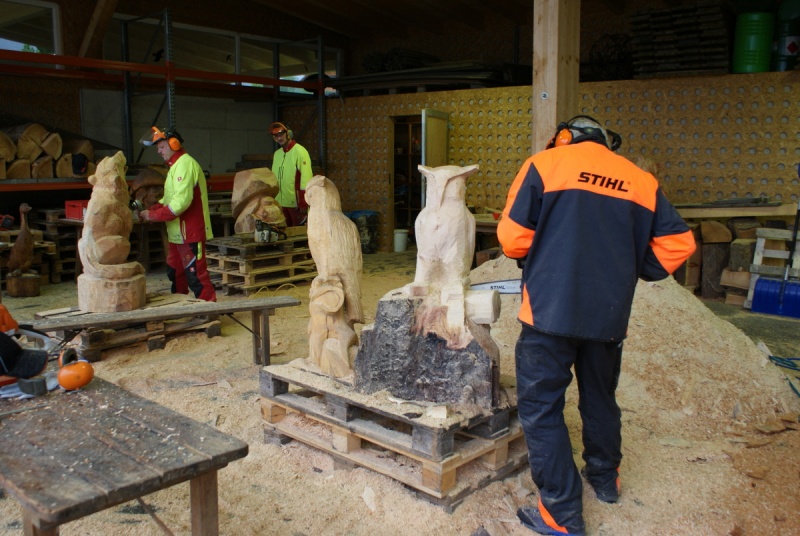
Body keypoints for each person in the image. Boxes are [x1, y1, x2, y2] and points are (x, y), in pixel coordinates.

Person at [497, 115, 696, 536]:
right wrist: (635, 267)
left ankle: (562, 514)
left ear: (564, 138)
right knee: (600, 397)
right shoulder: (640, 180)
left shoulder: (544, 165)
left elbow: (512, 239)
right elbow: (678, 244)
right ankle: (605, 479)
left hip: (548, 313)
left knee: (541, 407)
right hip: (608, 316)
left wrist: (539, 255)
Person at [139, 127, 216, 302]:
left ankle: (209, 310)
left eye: (161, 147)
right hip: (177, 234)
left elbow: (180, 203)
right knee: (175, 272)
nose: (159, 152)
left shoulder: (185, 164)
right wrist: (152, 210)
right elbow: (169, 199)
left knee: (196, 275)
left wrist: (153, 215)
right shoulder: (174, 167)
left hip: (190, 232)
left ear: (174, 144)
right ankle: (180, 305)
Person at [270, 121, 313, 226]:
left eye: (281, 134)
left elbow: (306, 177)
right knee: (284, 232)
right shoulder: (277, 154)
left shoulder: (300, 151)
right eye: (276, 136)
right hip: (280, 204)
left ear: (288, 134)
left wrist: (303, 201)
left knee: (300, 232)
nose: (279, 138)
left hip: (296, 204)